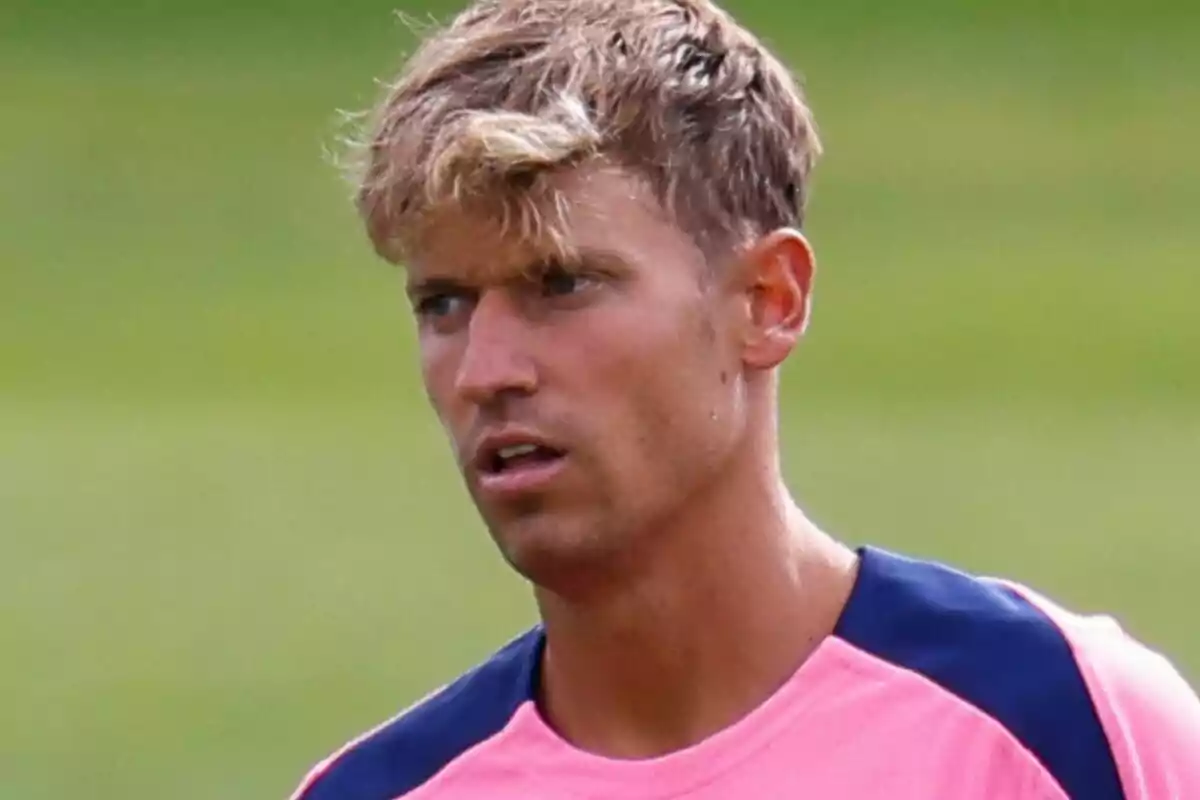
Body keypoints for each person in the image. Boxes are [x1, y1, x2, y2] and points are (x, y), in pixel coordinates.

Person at [289, 0, 1200, 797]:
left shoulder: (1066, 727)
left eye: (561, 285)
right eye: (442, 303)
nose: (486, 370)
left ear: (769, 302)